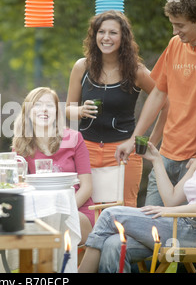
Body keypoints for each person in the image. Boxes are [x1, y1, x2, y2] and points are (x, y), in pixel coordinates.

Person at [79, 99, 196, 273]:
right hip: (178, 227)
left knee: (109, 214)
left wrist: (173, 213)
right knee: (113, 244)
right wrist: (157, 160)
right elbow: (172, 199)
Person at [115, 0, 196, 207]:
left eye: (180, 25)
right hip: (165, 155)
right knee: (149, 224)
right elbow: (158, 94)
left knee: (180, 234)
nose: (175, 31)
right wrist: (134, 139)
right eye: (173, 24)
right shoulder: (175, 45)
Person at [65, 10, 167, 207]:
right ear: (94, 36)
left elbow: (166, 102)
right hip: (85, 150)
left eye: (113, 33)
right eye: (101, 32)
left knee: (123, 214)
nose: (106, 37)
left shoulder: (137, 71)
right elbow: (67, 108)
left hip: (123, 153)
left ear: (124, 38)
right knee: (87, 212)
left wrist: (145, 142)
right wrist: (79, 111)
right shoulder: (81, 67)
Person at [12, 87, 95, 244]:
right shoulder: (21, 145)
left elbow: (87, 187)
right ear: (28, 111)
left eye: (49, 105)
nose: (44, 109)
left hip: (77, 209)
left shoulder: (74, 138)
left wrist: (62, 210)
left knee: (49, 225)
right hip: (40, 210)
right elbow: (17, 186)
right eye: (37, 104)